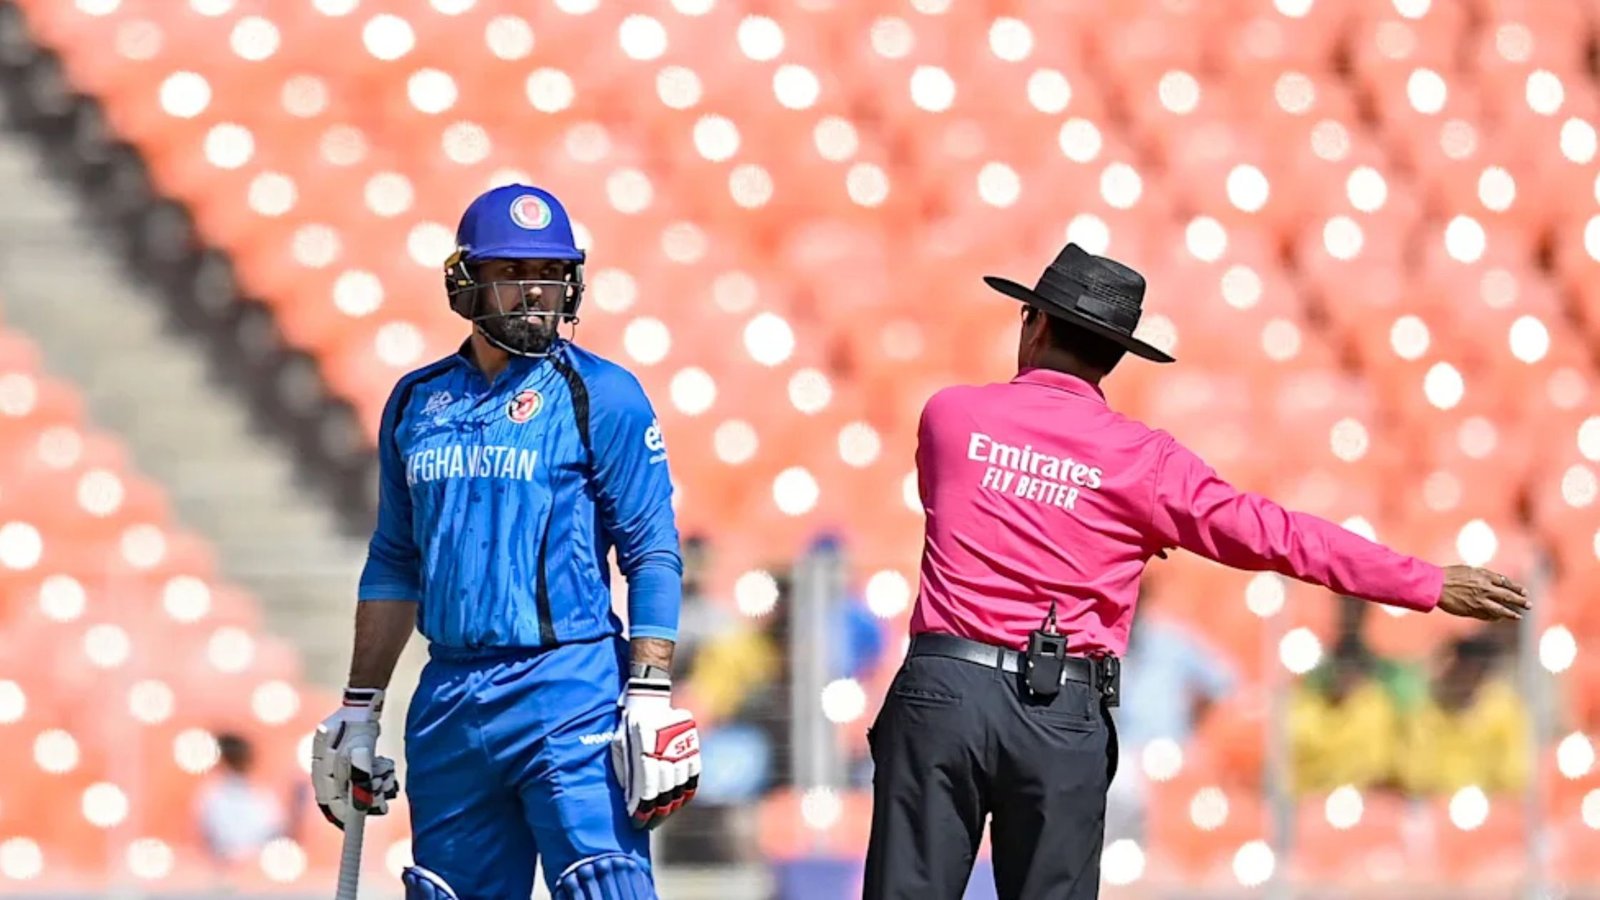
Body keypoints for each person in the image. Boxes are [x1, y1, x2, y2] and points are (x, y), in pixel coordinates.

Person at [861, 242, 1530, 900]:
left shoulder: (951, 416)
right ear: (1116, 355)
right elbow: (1278, 535)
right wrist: (1426, 582)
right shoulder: (1145, 463)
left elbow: (972, 505)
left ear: (1034, 324)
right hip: (1056, 709)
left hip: (943, 693)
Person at [309, 185, 702, 900]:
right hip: (451, 700)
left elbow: (651, 549)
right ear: (466, 282)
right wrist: (359, 708)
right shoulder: (416, 400)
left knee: (604, 887)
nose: (536, 291)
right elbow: (395, 560)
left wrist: (650, 692)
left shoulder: (603, 394)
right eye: (514, 272)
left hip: (570, 687)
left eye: (551, 273)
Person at [1105, 584, 1236, 841]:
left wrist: (1196, 719)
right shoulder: (1104, 645)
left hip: (1172, 748)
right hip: (1126, 752)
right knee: (1119, 788)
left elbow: (1223, 682)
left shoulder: (1169, 639)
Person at [1399, 633, 1529, 795]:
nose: (1458, 675)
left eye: (1464, 668)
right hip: (1434, 802)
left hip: (1490, 803)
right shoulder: (1423, 710)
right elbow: (1413, 772)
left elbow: (1514, 774)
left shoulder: (1504, 710)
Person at [1289, 635, 1403, 795]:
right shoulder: (1304, 706)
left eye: (1354, 670)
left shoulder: (1377, 710)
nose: (1346, 677)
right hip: (1307, 798)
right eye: (1342, 668)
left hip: (1359, 798)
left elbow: (1377, 768)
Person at [196, 733, 286, 865]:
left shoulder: (262, 794)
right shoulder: (211, 794)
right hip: (226, 864)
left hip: (254, 865)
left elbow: (276, 831)